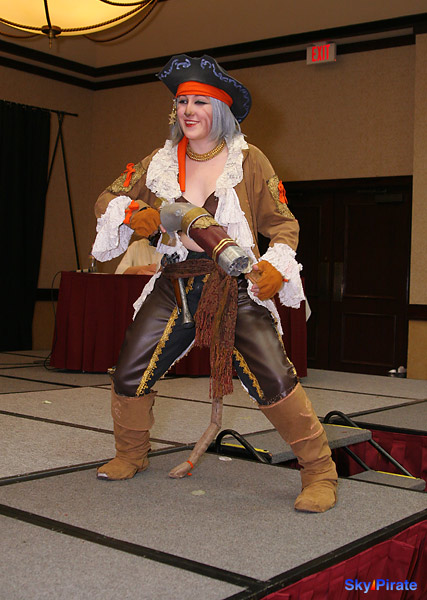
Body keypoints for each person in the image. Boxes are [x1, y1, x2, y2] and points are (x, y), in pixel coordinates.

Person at [92, 54, 337, 513]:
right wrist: (132, 212)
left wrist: (278, 265)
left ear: (220, 109)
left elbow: (283, 224)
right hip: (174, 282)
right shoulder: (157, 162)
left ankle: (319, 472)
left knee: (274, 378)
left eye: (200, 101)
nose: (188, 110)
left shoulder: (249, 159)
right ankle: (131, 453)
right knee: (129, 371)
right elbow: (108, 197)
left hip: (234, 284)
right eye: (182, 101)